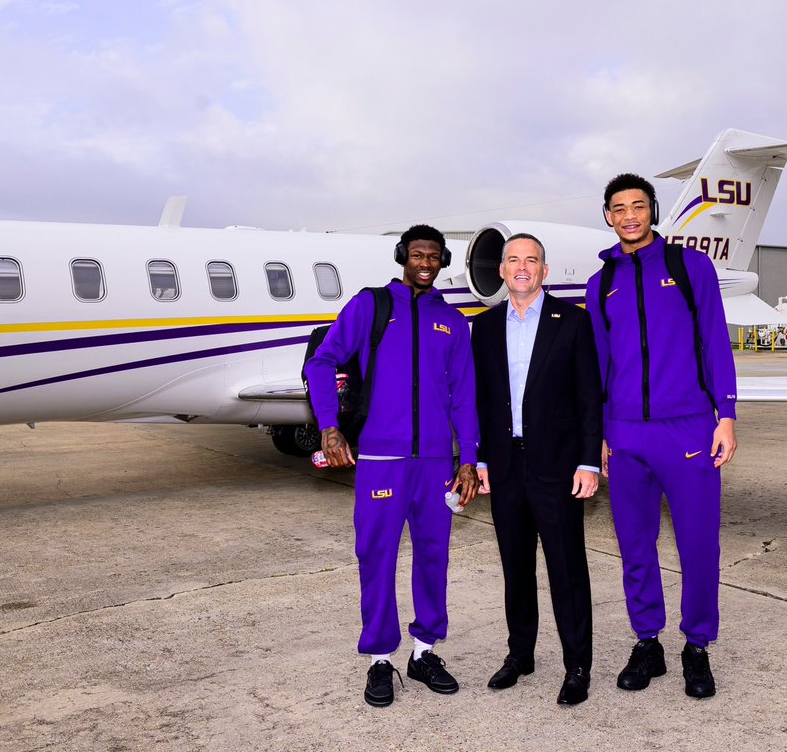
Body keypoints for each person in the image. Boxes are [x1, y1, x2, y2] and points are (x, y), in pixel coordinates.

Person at [304, 225, 479, 708]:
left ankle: (424, 652)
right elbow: (322, 363)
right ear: (404, 256)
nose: (425, 262)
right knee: (376, 556)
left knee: (432, 557)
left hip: (437, 464)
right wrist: (329, 424)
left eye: (434, 256)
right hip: (381, 459)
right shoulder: (372, 306)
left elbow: (464, 396)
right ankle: (380, 659)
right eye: (417, 254)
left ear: (444, 263)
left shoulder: (453, 321)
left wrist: (468, 459)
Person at [584, 173, 738, 700]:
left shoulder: (688, 266)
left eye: (638, 206)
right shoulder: (601, 282)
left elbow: (714, 341)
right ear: (607, 215)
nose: (629, 216)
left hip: (689, 428)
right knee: (634, 546)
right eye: (619, 208)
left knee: (698, 544)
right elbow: (601, 365)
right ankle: (647, 642)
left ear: (652, 211)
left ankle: (696, 647)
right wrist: (602, 434)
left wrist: (727, 414)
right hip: (626, 435)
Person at [471, 233, 602, 706]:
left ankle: (577, 665)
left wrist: (589, 461)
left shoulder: (573, 322)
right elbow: (482, 401)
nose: (522, 267)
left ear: (545, 271)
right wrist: (480, 458)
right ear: (501, 272)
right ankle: (519, 655)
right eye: (513, 260)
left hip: (559, 467)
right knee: (516, 568)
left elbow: (590, 397)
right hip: (505, 466)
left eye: (532, 260)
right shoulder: (482, 327)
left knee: (567, 569)